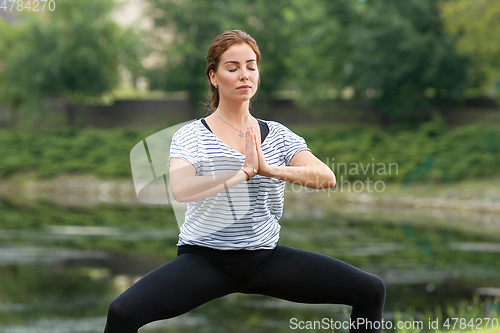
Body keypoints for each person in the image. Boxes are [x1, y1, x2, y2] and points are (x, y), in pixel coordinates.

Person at [104, 29, 385, 333]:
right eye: (233, 67)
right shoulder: (191, 135)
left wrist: (269, 169)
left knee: (370, 290)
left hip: (264, 259)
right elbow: (182, 189)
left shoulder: (277, 135)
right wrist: (242, 173)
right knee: (121, 312)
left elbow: (325, 177)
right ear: (213, 76)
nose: (244, 75)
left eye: (251, 66)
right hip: (205, 260)